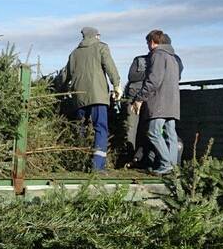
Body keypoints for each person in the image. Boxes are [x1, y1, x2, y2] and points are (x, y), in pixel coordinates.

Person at [60, 26, 121, 170]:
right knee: (100, 128)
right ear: (95, 35)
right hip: (98, 96)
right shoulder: (101, 48)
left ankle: (79, 162)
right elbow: (110, 67)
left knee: (81, 128)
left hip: (78, 97)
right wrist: (116, 84)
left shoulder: (74, 53)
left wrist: (60, 90)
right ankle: (97, 166)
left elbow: (65, 76)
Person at [131, 30, 181, 175]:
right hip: (173, 103)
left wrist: (140, 98)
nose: (147, 46)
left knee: (153, 132)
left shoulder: (157, 55)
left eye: (147, 42)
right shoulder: (173, 58)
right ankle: (173, 167)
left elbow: (154, 80)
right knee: (170, 134)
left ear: (152, 42)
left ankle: (166, 164)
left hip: (159, 102)